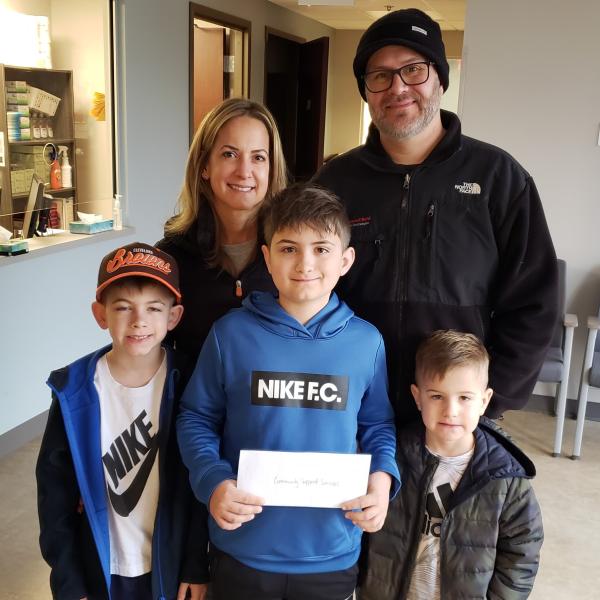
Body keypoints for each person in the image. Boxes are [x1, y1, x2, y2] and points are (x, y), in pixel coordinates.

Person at [314, 8, 559, 425]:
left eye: (414, 70)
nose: (397, 88)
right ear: (366, 90)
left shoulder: (498, 177)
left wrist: (485, 403)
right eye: (379, 76)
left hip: (453, 418)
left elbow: (535, 302)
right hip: (351, 408)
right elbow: (304, 285)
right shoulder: (336, 181)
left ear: (440, 78)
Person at [177, 184, 401, 600]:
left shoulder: (366, 343)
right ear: (266, 257)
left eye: (321, 248)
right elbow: (196, 418)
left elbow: (378, 425)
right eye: (288, 248)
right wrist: (213, 481)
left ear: (346, 259)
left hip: (331, 552)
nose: (305, 263)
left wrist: (382, 481)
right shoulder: (230, 334)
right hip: (242, 548)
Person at [36, 242, 208, 600]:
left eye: (153, 308)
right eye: (123, 307)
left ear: (174, 317)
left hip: (169, 567)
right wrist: (69, 584)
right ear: (100, 315)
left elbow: (198, 488)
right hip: (100, 569)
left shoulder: (189, 381)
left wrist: (195, 564)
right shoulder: (75, 391)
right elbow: (54, 497)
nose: (139, 320)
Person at [358, 330, 544, 600]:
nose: (451, 411)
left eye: (465, 398)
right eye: (436, 396)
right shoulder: (390, 461)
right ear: (417, 397)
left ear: (485, 401)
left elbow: (522, 552)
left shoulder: (506, 478)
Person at [157, 97, 288, 363]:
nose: (244, 171)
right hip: (194, 402)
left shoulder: (295, 253)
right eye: (230, 154)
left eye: (258, 157)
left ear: (271, 168)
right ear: (205, 165)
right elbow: (155, 356)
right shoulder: (169, 258)